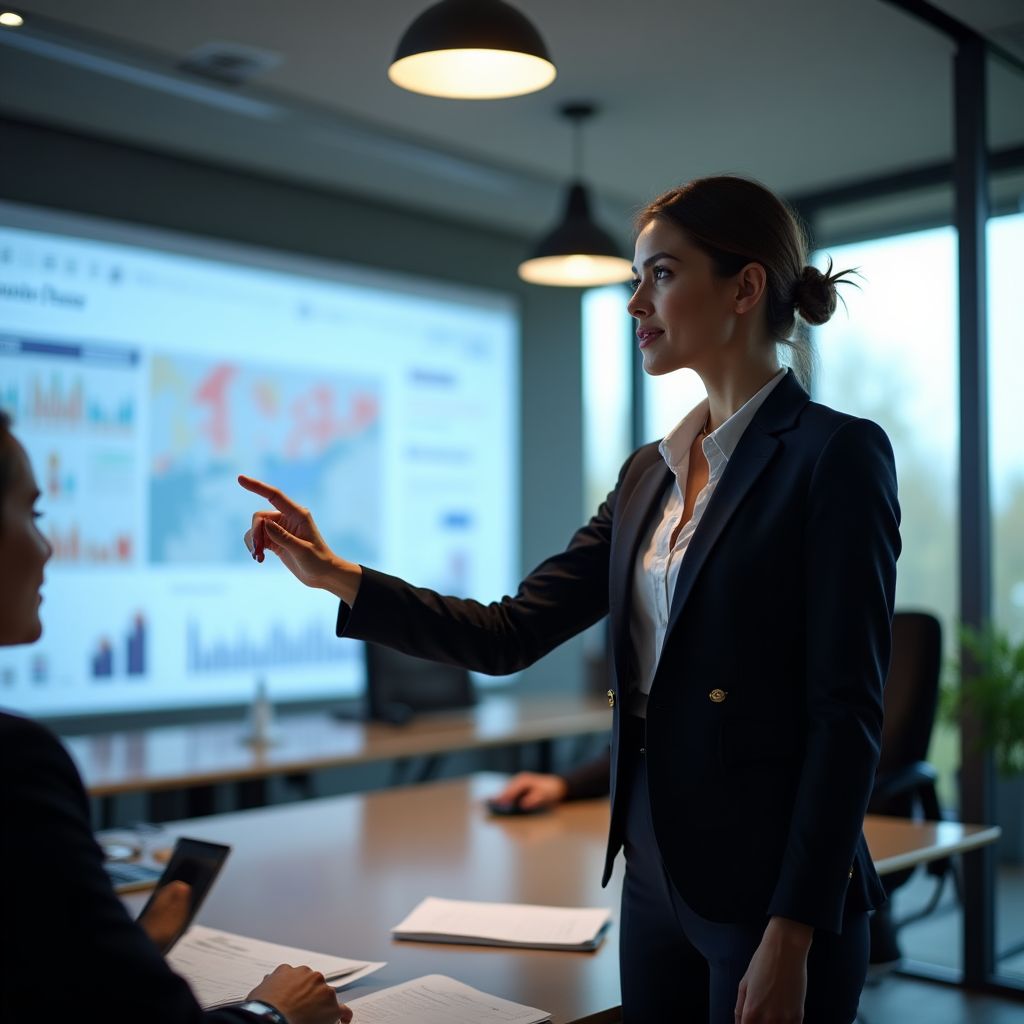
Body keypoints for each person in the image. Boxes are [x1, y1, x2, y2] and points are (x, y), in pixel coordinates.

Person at [240, 175, 901, 1024]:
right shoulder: (645, 475)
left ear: (745, 287)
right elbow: (508, 633)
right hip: (655, 873)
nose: (635, 303)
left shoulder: (835, 456)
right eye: (636, 278)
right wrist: (340, 576)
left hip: (774, 892)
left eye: (661, 274)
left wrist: (794, 932)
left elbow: (845, 715)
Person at [0, 410, 350, 1024]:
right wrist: (273, 1014)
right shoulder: (14, 763)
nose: (49, 545)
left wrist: (119, 954)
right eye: (32, 515)